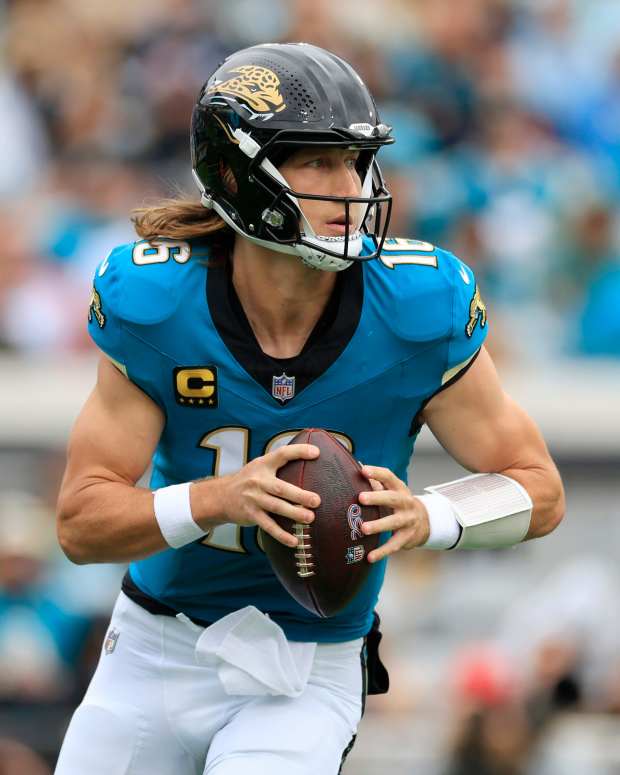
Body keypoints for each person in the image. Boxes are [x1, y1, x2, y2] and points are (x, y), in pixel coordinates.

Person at [54, 42, 565, 775]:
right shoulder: (157, 303)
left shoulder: (419, 307)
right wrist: (217, 498)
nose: (349, 185)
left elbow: (540, 488)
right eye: (319, 161)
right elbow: (80, 522)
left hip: (311, 660)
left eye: (355, 162)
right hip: (156, 649)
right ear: (237, 173)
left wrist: (433, 516)